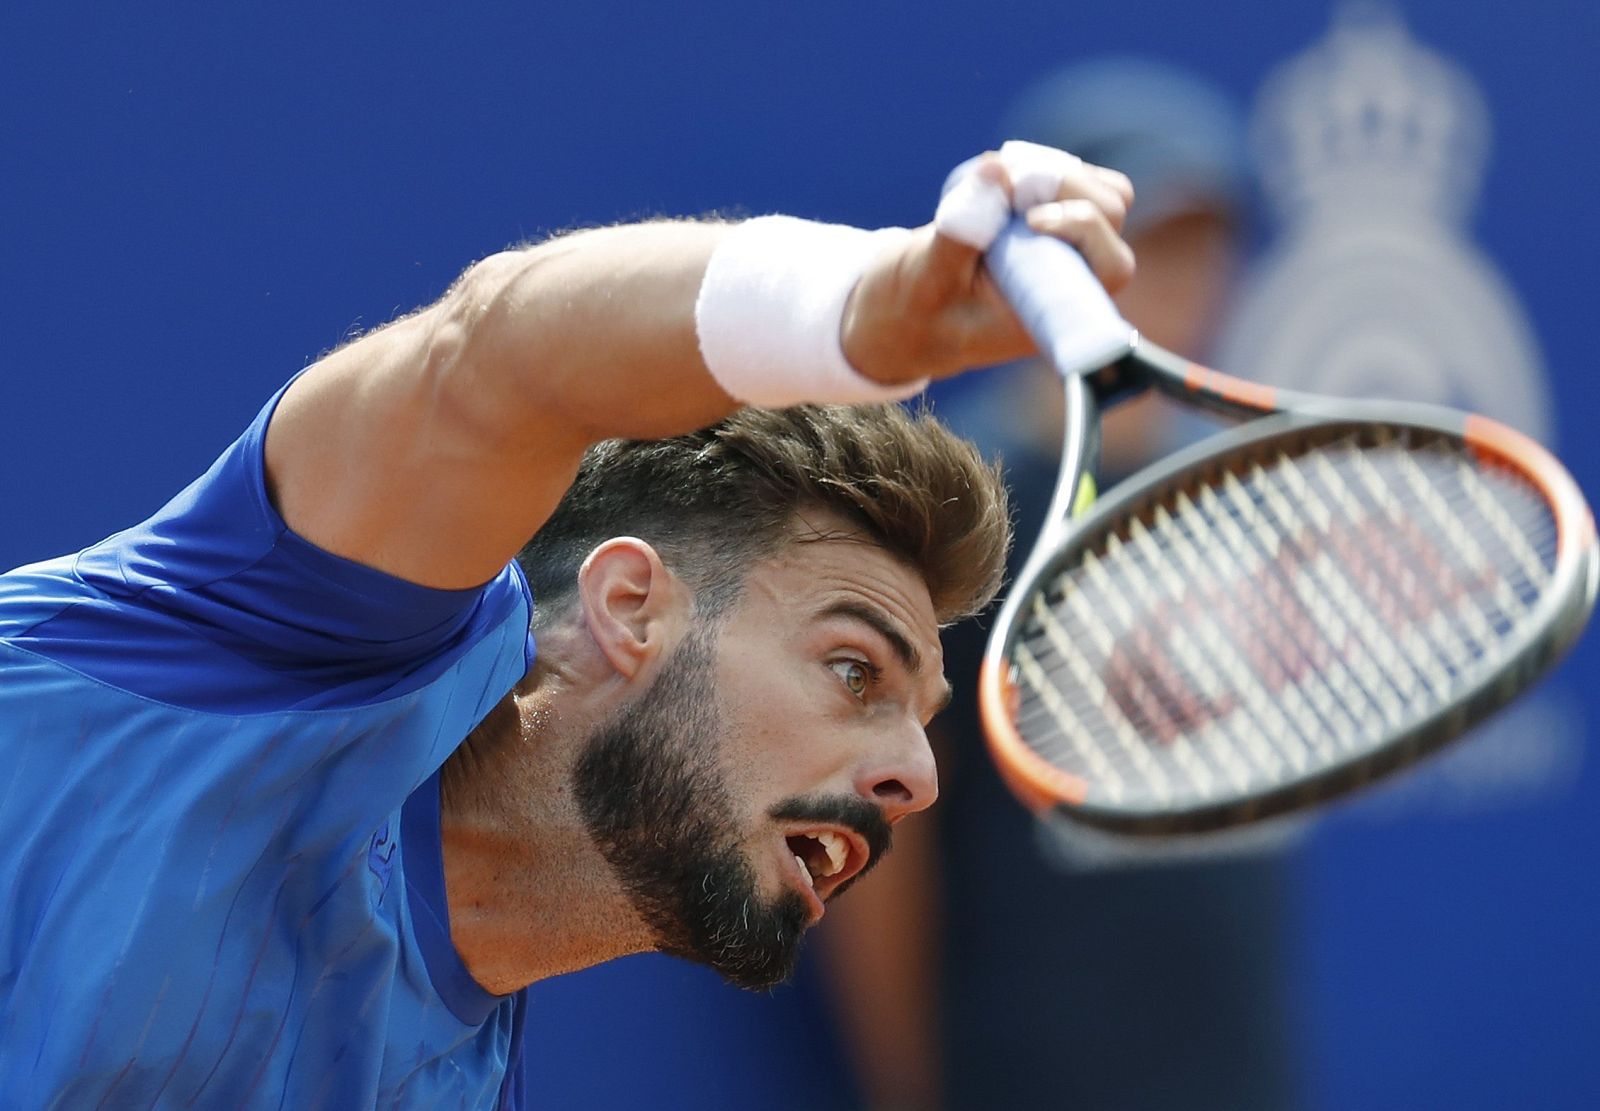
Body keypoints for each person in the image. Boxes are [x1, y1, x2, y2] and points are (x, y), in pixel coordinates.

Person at [0, 145, 1135, 1107]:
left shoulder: (445, 1080)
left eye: (917, 719)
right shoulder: (289, 640)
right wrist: (866, 307)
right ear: (628, 606)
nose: (916, 777)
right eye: (852, 671)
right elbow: (496, 355)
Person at [818, 62, 1301, 1111]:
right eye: (1150, 237)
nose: (1184, 272)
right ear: (1041, 261)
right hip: (1031, 1072)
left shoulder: (1238, 487)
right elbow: (873, 853)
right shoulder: (948, 508)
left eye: (1205, 240)